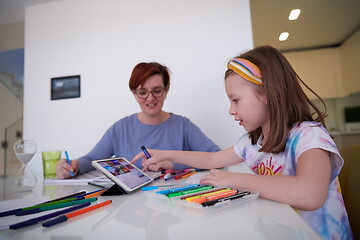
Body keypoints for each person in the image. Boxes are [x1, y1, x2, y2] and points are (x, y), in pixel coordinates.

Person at [132, 46, 353, 240]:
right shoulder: (254, 140)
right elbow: (212, 158)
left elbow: (309, 194)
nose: (231, 110)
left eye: (235, 100)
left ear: (267, 92)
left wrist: (234, 179)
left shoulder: (309, 135)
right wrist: (165, 154)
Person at [56, 62, 220, 179]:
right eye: (142, 92)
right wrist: (74, 165)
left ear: (166, 90)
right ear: (134, 93)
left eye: (157, 91)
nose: (150, 98)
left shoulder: (183, 126)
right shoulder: (120, 128)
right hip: (132, 207)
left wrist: (174, 164)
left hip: (175, 202)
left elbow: (217, 158)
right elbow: (92, 160)